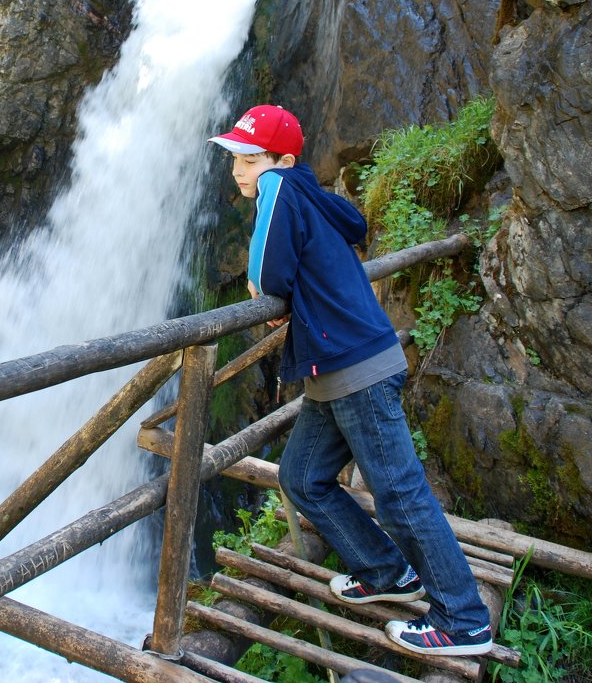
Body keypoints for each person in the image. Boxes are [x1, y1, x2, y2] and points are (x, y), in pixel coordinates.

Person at [207, 104, 493, 657]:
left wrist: (260, 289)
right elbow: (321, 254)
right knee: (303, 476)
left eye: (250, 158)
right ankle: (386, 571)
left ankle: (464, 620)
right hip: (336, 369)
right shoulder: (314, 197)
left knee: (399, 494)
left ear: (282, 161)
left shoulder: (281, 190)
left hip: (353, 368)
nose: (240, 169)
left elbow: (268, 274)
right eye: (235, 157)